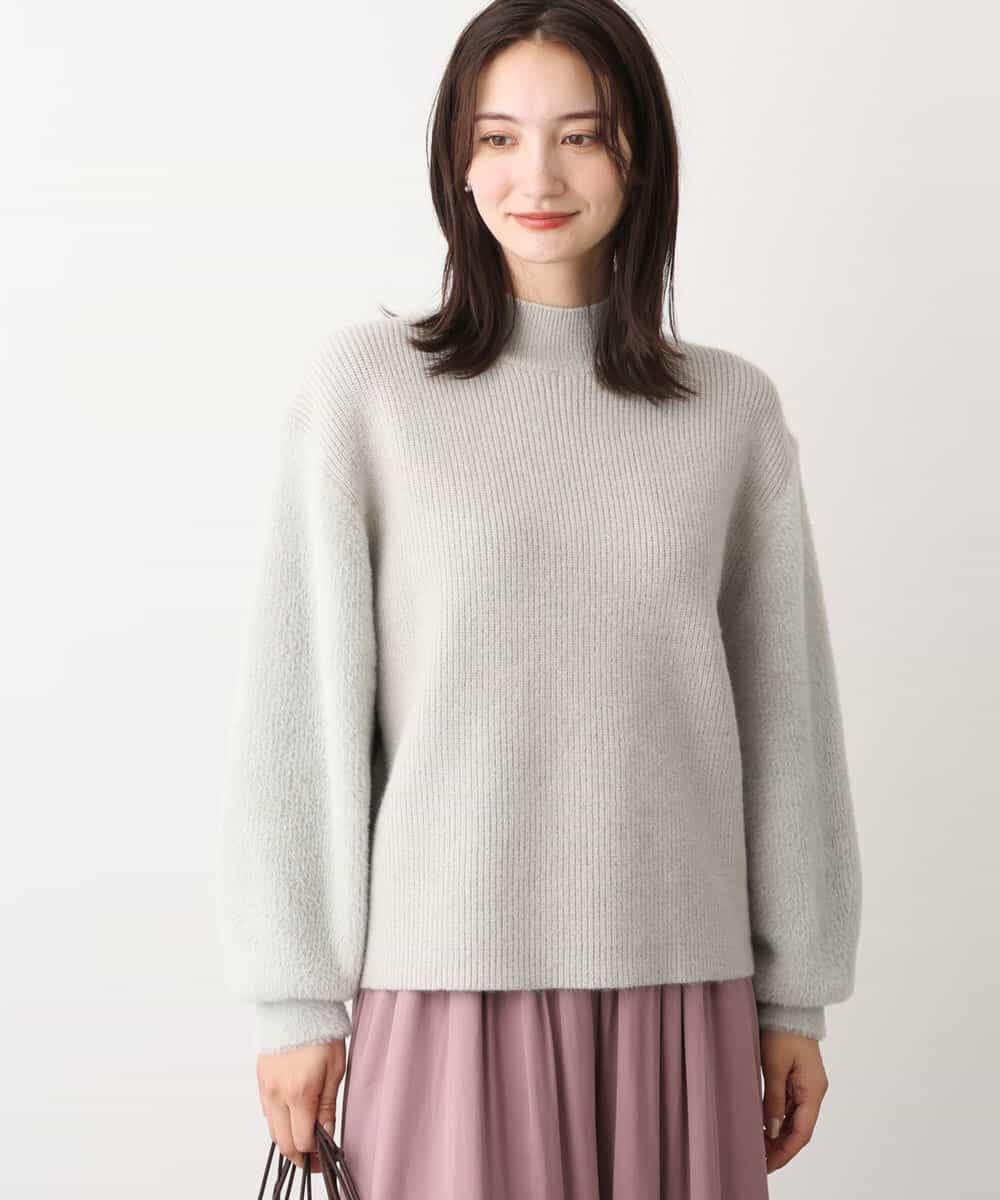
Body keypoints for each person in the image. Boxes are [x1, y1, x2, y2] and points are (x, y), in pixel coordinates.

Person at [215, 1, 863, 1195]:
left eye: (582, 134)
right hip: (444, 988)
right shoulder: (368, 394)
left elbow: (788, 726)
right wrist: (295, 998)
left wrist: (796, 999)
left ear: (639, 152)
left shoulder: (729, 412)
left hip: (682, 992)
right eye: (498, 137)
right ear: (457, 163)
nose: (538, 177)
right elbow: (301, 715)